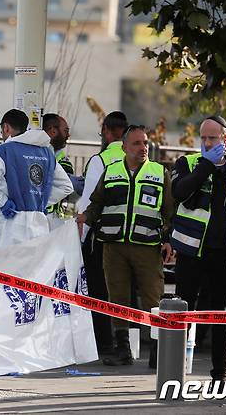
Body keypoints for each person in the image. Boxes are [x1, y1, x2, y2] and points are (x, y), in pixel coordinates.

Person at [171, 115, 226, 383]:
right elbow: (179, 193)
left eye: (213, 138)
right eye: (204, 138)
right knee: (183, 312)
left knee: (222, 314)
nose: (207, 143)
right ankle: (173, 370)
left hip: (224, 255)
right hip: (191, 252)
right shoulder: (188, 164)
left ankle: (220, 374)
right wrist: (205, 166)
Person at [76, 125, 173, 367]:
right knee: (117, 298)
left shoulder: (160, 173)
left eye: (145, 143)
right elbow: (97, 203)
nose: (143, 148)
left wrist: (169, 240)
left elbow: (170, 211)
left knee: (153, 298)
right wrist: (85, 217)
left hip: (147, 246)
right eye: (137, 144)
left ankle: (158, 352)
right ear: (124, 147)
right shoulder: (111, 171)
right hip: (114, 245)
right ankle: (122, 350)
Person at [0, 109, 73, 248]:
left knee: (6, 267)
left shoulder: (4, 150)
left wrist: (3, 202)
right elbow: (67, 186)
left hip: (10, 222)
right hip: (38, 224)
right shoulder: (46, 153)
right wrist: (40, 201)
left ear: (6, 127)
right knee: (34, 267)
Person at [76, 111, 128, 357]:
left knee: (100, 290)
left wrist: (81, 237)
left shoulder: (101, 160)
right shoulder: (140, 157)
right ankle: (127, 345)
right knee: (124, 291)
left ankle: (105, 345)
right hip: (134, 237)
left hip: (105, 236)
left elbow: (89, 202)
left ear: (107, 131)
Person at [42, 113, 84, 225]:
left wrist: (69, 222)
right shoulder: (36, 155)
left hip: (56, 222)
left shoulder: (63, 159)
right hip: (41, 219)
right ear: (53, 131)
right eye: (65, 130)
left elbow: (70, 197)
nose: (68, 135)